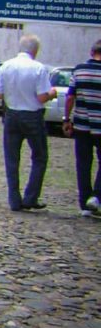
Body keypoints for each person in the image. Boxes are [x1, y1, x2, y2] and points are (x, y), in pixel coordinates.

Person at [0, 35, 58, 212]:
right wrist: (52, 93)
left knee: (12, 158)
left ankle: (14, 199)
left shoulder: (6, 66)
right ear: (35, 50)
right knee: (40, 156)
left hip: (12, 114)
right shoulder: (38, 68)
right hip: (32, 115)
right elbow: (42, 97)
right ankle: (31, 196)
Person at [63, 39, 101, 217]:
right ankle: (96, 196)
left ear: (91, 52)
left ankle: (84, 204)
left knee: (83, 163)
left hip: (81, 124)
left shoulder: (79, 70)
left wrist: (66, 119)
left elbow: (70, 97)